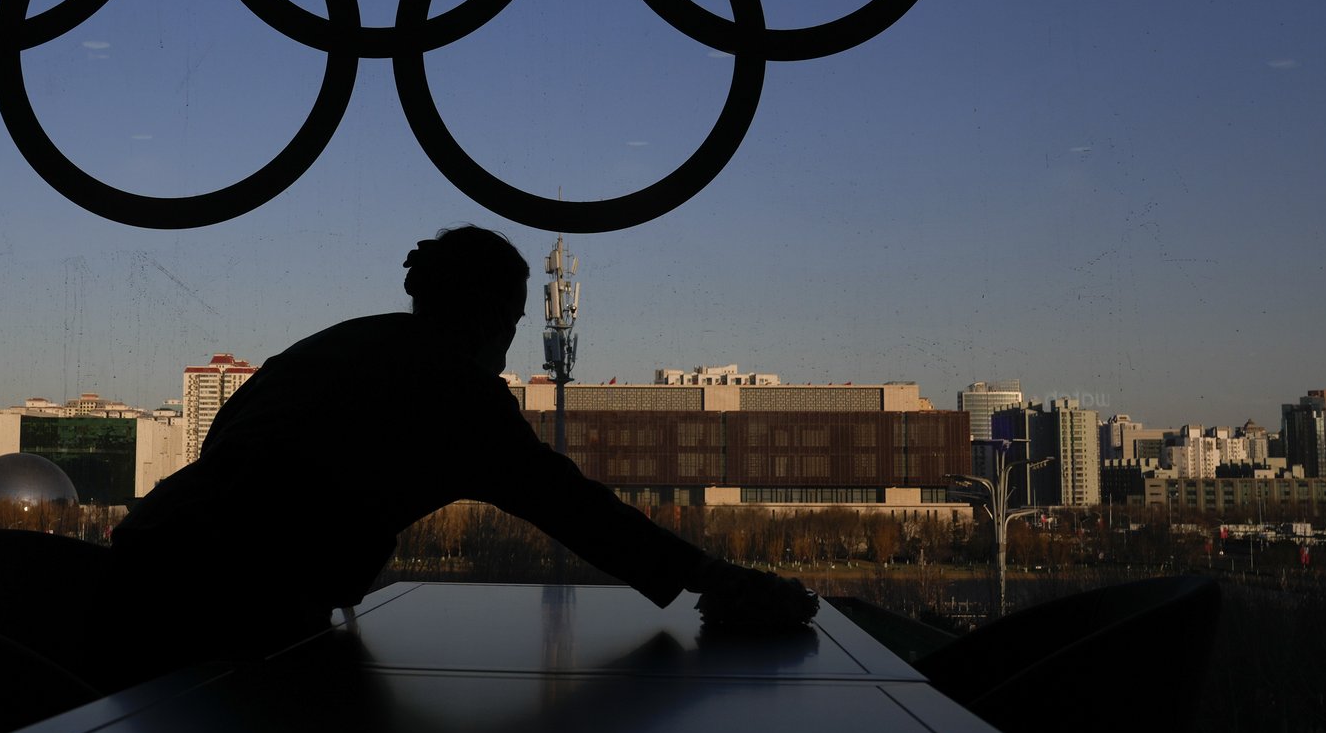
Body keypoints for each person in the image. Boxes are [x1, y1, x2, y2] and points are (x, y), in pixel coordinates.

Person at [95, 226, 816, 687]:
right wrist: (714, 578)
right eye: (510, 321)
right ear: (491, 316)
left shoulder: (341, 342)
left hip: (154, 577)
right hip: (234, 607)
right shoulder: (456, 391)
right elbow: (573, 507)